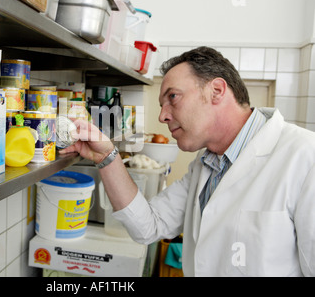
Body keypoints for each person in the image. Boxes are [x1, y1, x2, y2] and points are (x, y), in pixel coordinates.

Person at [60, 46, 315, 276]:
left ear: (216, 90)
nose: (162, 116)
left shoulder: (304, 156)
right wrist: (107, 157)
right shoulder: (206, 165)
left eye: (172, 97)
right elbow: (148, 227)